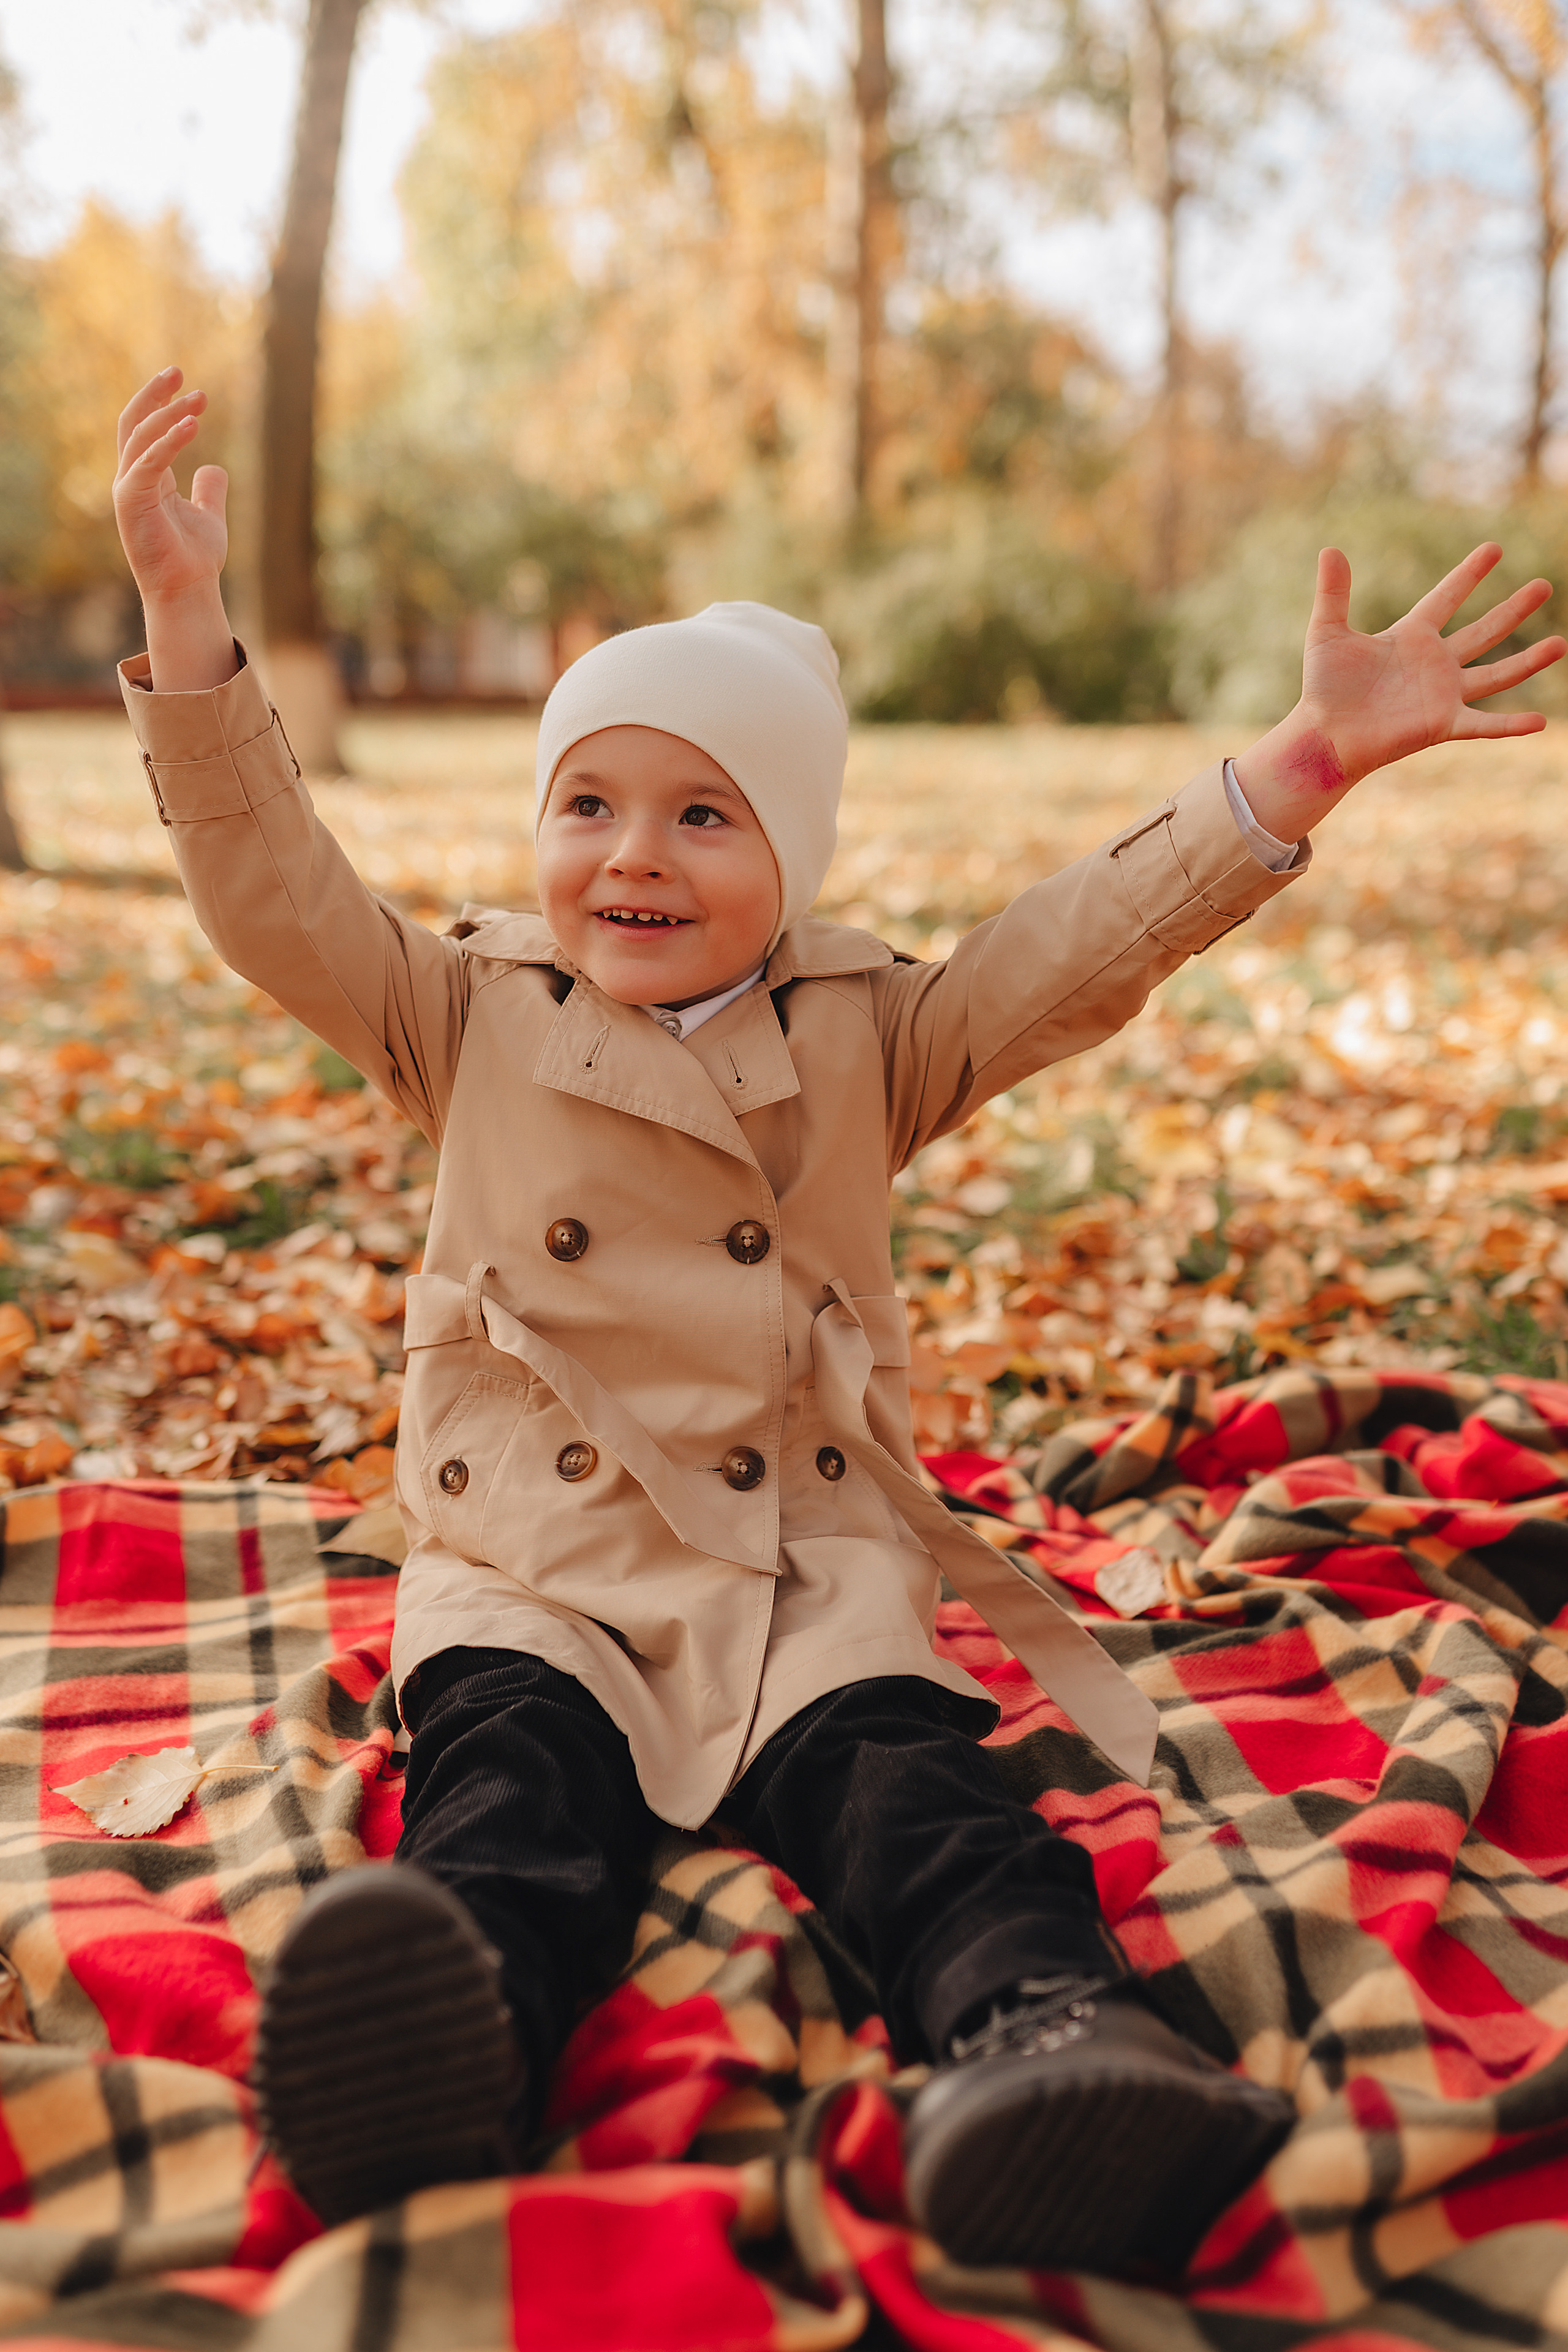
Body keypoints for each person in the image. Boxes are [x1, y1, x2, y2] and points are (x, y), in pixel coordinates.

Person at [111, 364, 1563, 2275]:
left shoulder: (870, 1034)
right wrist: (191, 625)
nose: (634, 854)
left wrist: (1287, 772)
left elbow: (1071, 949)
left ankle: (1052, 2045)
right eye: (590, 803)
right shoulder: (457, 1009)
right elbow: (270, 888)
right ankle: (437, 2034)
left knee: (920, 1805)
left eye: (705, 814)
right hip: (533, 1556)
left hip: (800, 1557)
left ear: (791, 862)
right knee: (509, 1798)